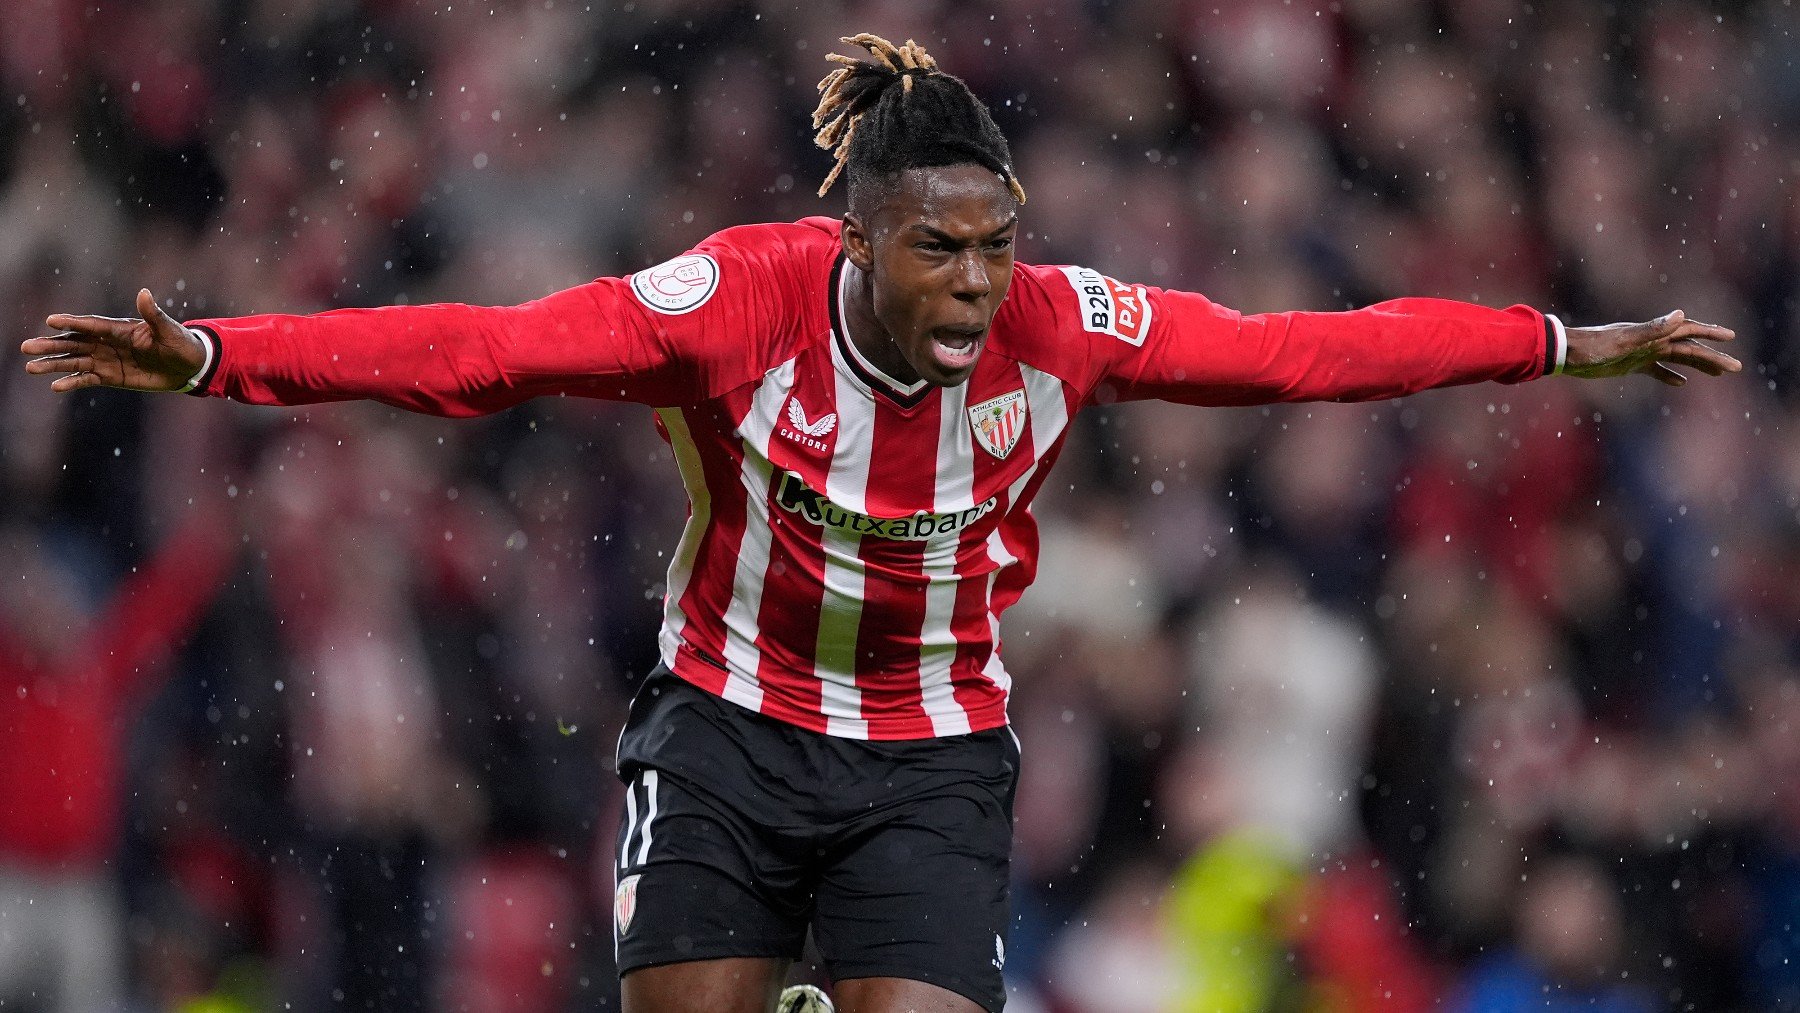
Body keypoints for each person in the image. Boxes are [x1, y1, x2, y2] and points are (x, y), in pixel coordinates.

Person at [18, 32, 1739, 1013]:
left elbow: (1310, 356)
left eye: (997, 245)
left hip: (932, 753)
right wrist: (222, 357)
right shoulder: (732, 306)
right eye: (941, 249)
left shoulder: (1066, 327)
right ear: (858, 242)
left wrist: (1562, 344)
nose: (978, 285)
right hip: (726, 730)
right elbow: (481, 353)